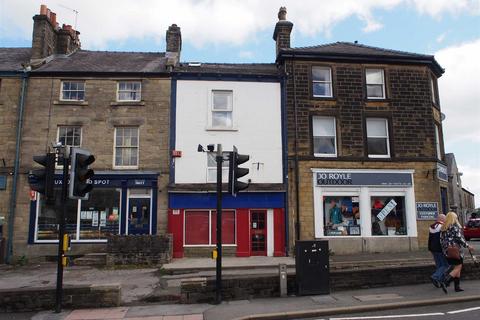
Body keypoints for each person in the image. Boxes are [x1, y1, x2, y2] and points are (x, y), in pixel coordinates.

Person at [440, 211, 474, 293]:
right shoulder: (454, 227)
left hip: (447, 250)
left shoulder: (443, 228)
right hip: (455, 250)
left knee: (456, 267)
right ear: (453, 218)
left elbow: (441, 240)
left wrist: (445, 249)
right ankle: (445, 281)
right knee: (458, 267)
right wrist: (468, 246)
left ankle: (457, 287)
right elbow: (459, 238)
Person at [428, 213, 448, 288]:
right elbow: (444, 239)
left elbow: (430, 239)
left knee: (439, 265)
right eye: (445, 218)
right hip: (440, 248)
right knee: (445, 265)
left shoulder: (431, 227)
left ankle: (440, 281)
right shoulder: (442, 226)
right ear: (442, 219)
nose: (446, 220)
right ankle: (435, 277)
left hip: (433, 248)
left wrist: (429, 248)